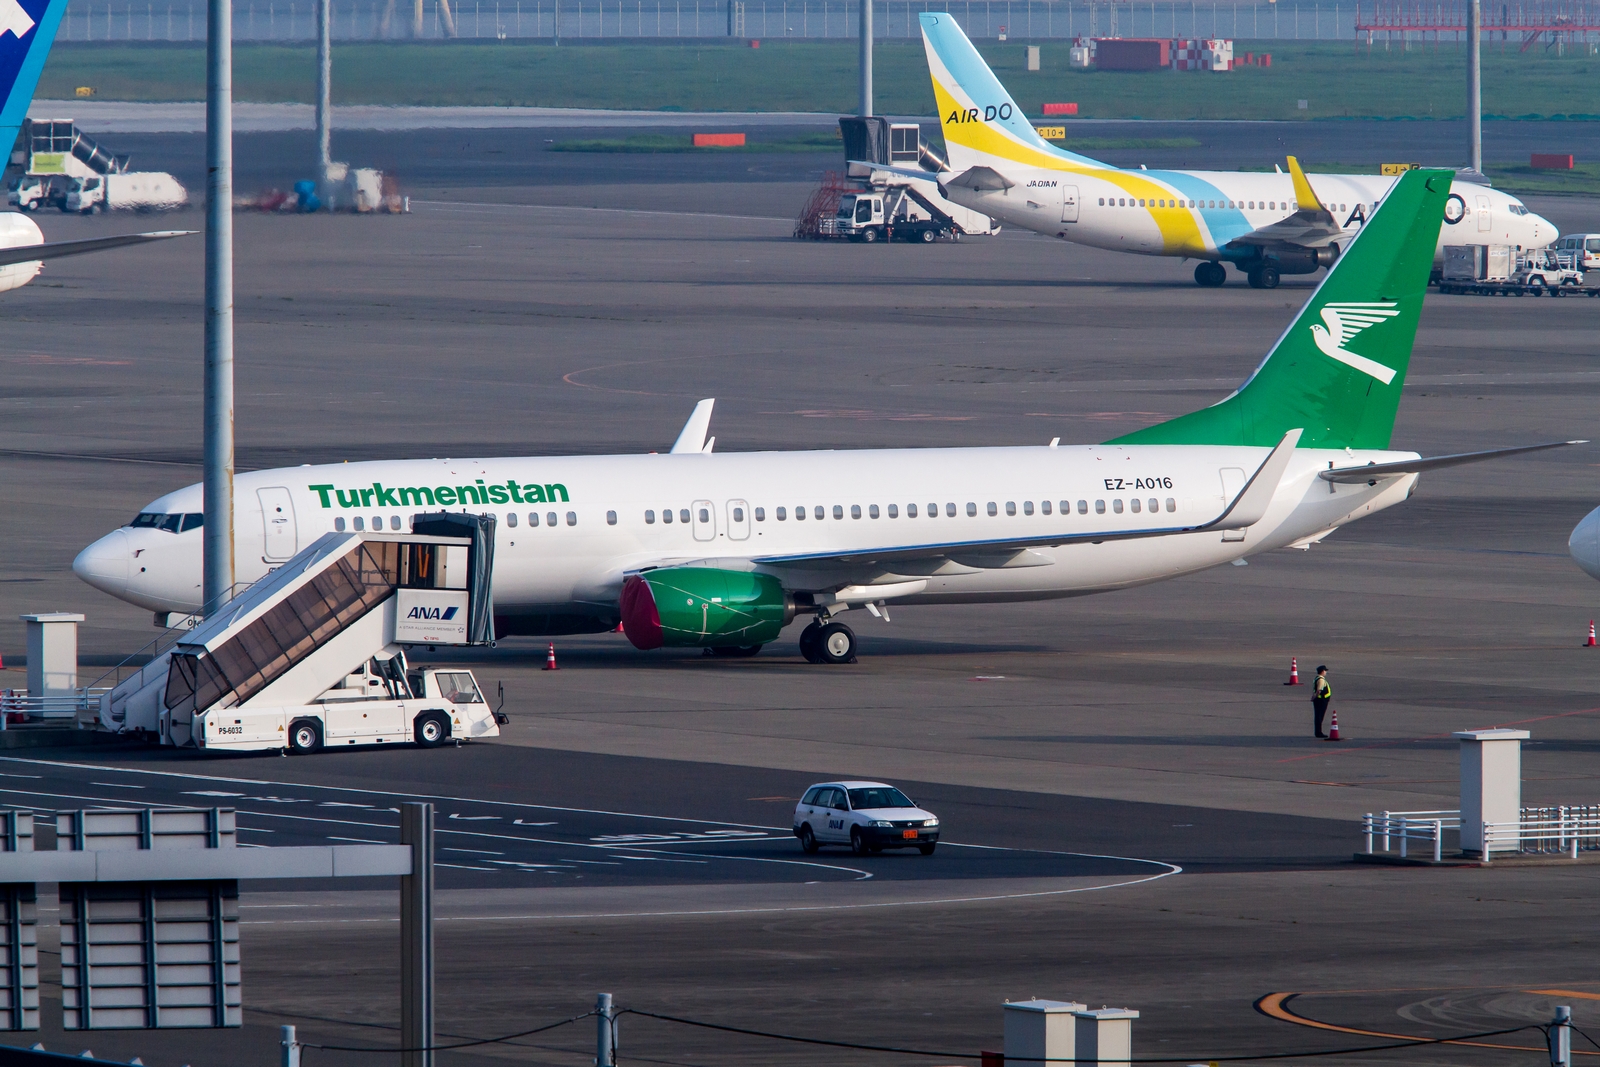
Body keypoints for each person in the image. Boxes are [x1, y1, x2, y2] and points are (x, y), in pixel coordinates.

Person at [1312, 665, 1332, 739]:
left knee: (1318, 716)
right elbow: (1319, 690)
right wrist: (1315, 697)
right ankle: (1318, 732)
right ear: (1322, 671)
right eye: (1325, 671)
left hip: (1319, 700)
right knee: (1319, 716)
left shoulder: (1317, 678)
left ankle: (1318, 731)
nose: (1326, 672)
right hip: (1321, 700)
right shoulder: (1321, 680)